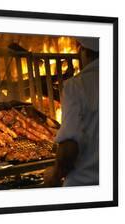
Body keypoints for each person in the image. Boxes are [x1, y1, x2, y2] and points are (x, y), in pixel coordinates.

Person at [44, 38, 99, 187]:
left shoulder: (76, 86)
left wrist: (55, 174)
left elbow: (69, 146)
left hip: (85, 184)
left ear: (83, 51)